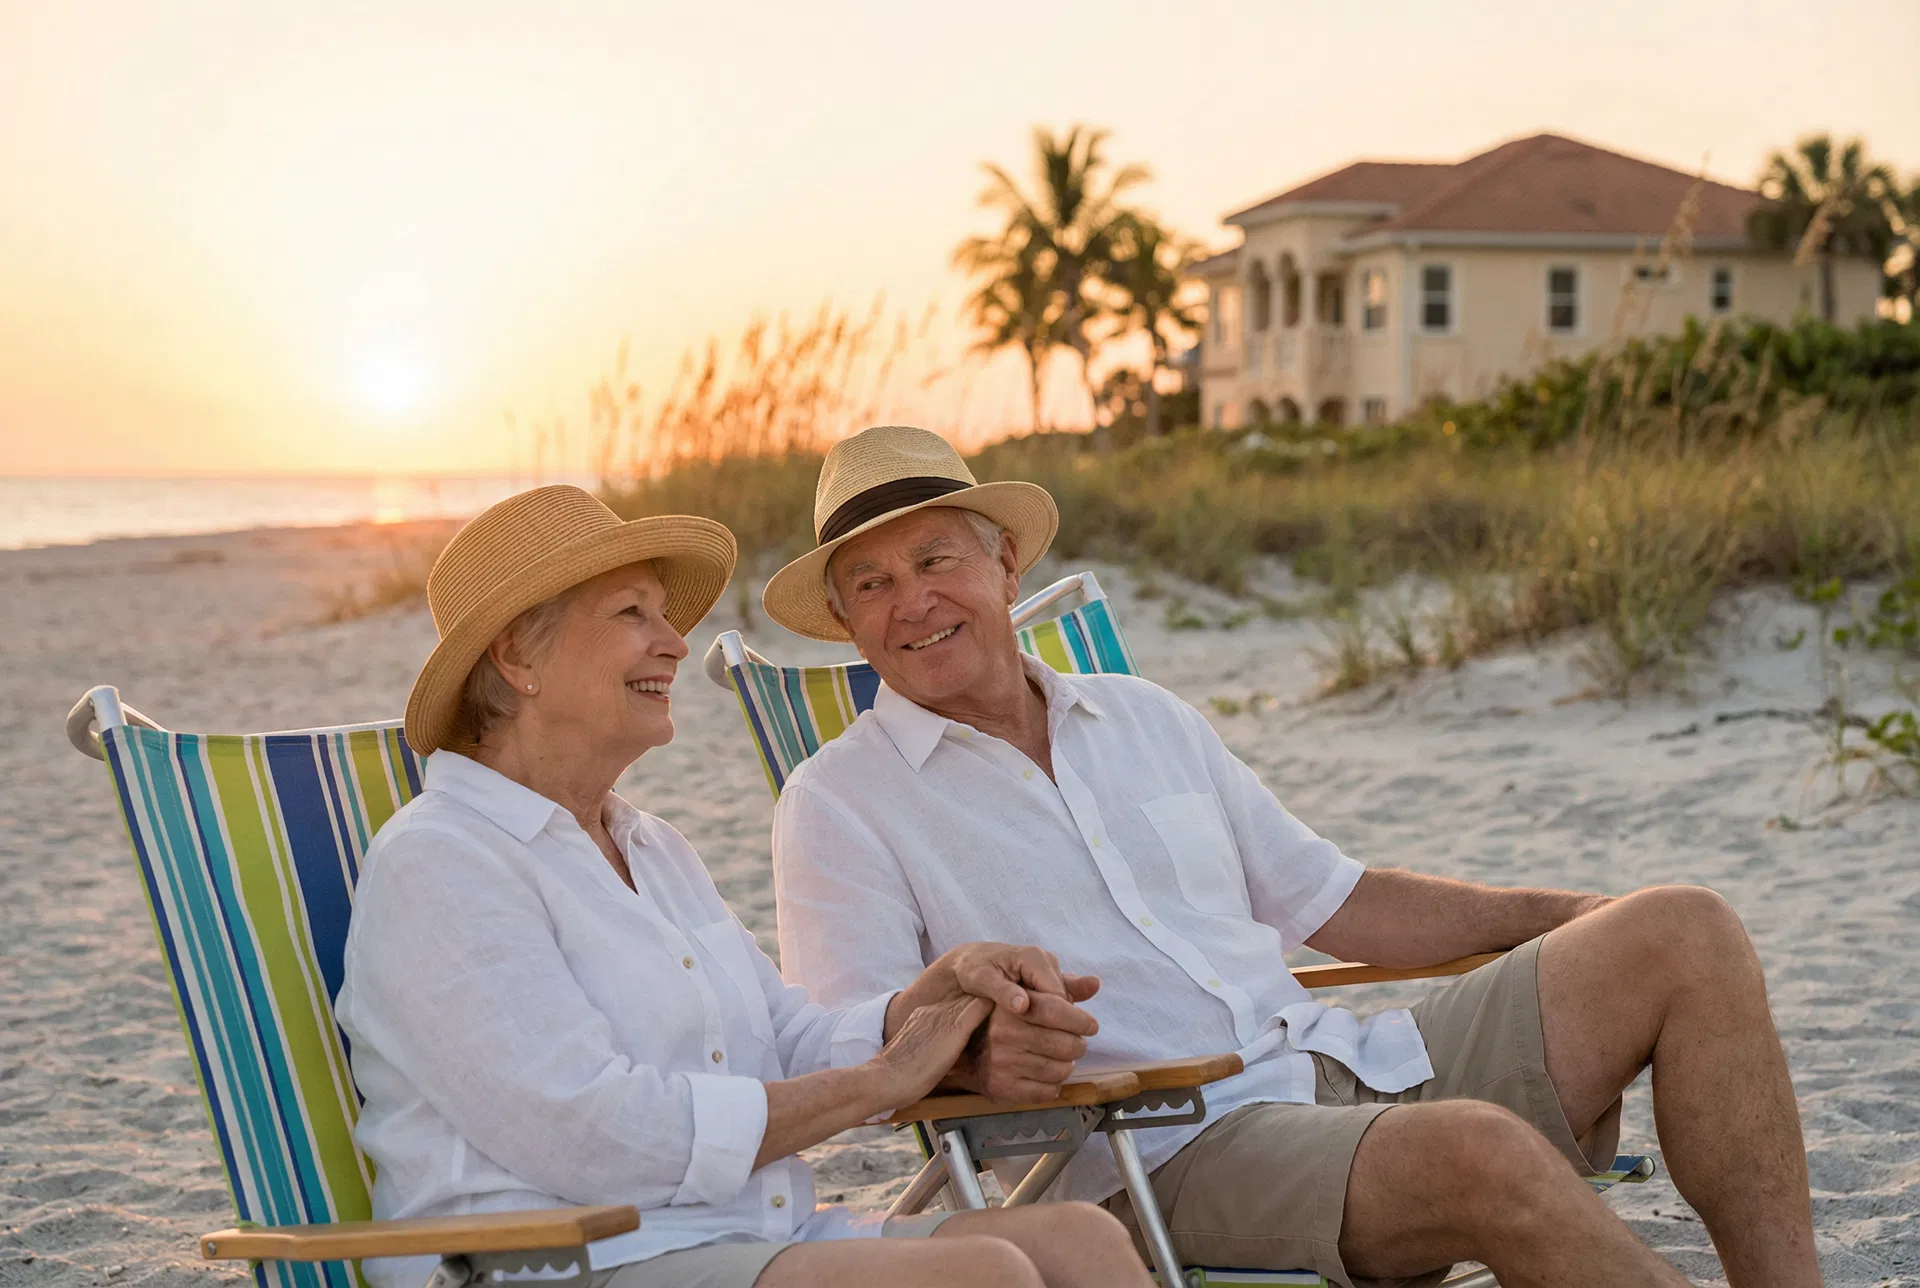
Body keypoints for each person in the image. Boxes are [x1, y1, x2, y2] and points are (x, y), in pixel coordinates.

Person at [762, 426, 1821, 1288]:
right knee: (1476, 1147)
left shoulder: (1142, 717)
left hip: (1344, 1064)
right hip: (1159, 1146)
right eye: (870, 583)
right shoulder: (839, 803)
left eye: (935, 558)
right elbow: (850, 1058)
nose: (911, 601)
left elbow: (1341, 900)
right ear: (848, 622)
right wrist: (975, 1056)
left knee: (1683, 928)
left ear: (1004, 559)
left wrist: (1573, 913)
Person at [334, 485, 1152, 1288]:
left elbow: (782, 1036)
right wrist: (879, 1082)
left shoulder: (648, 847)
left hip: (739, 1236)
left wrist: (924, 1011)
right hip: (559, 1260)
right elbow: (588, 1134)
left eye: (665, 615)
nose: (676, 643)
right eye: (633, 615)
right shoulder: (443, 861)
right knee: (979, 1273)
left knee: (1078, 1240)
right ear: (518, 657)